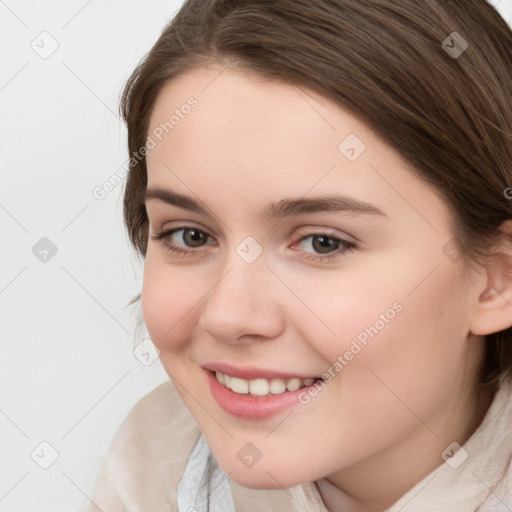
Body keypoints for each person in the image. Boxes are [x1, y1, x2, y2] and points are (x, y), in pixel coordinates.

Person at [86, 1, 512, 510]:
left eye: (322, 242)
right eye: (190, 236)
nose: (228, 316)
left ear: (497, 278)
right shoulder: (155, 465)